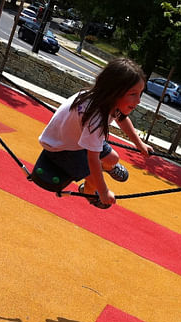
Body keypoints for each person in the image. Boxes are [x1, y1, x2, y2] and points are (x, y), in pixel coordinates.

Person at [38, 58, 153, 209]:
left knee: (113, 158)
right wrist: (103, 191)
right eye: (133, 94)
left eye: (140, 94)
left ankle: (108, 167)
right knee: (94, 180)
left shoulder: (105, 100)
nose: (138, 100)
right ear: (115, 91)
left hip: (76, 137)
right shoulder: (96, 117)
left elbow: (122, 119)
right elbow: (92, 158)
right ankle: (88, 192)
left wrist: (139, 143)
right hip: (61, 148)